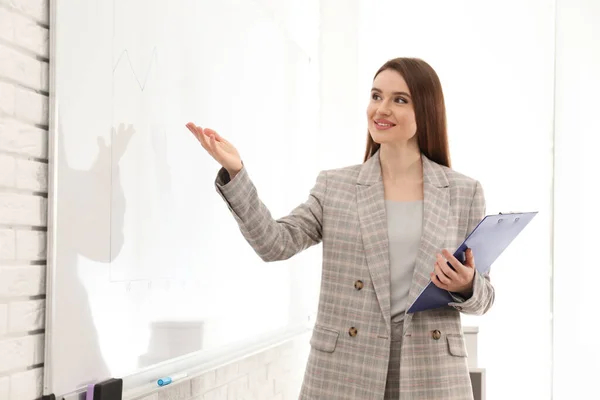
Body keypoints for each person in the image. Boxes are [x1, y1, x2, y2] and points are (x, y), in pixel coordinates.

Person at [185, 57, 495, 400]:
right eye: (376, 96)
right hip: (347, 369)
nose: (382, 109)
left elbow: (484, 297)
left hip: (431, 373)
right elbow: (274, 243)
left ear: (426, 110)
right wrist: (236, 171)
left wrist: (466, 285)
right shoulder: (336, 186)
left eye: (399, 100)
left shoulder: (464, 192)